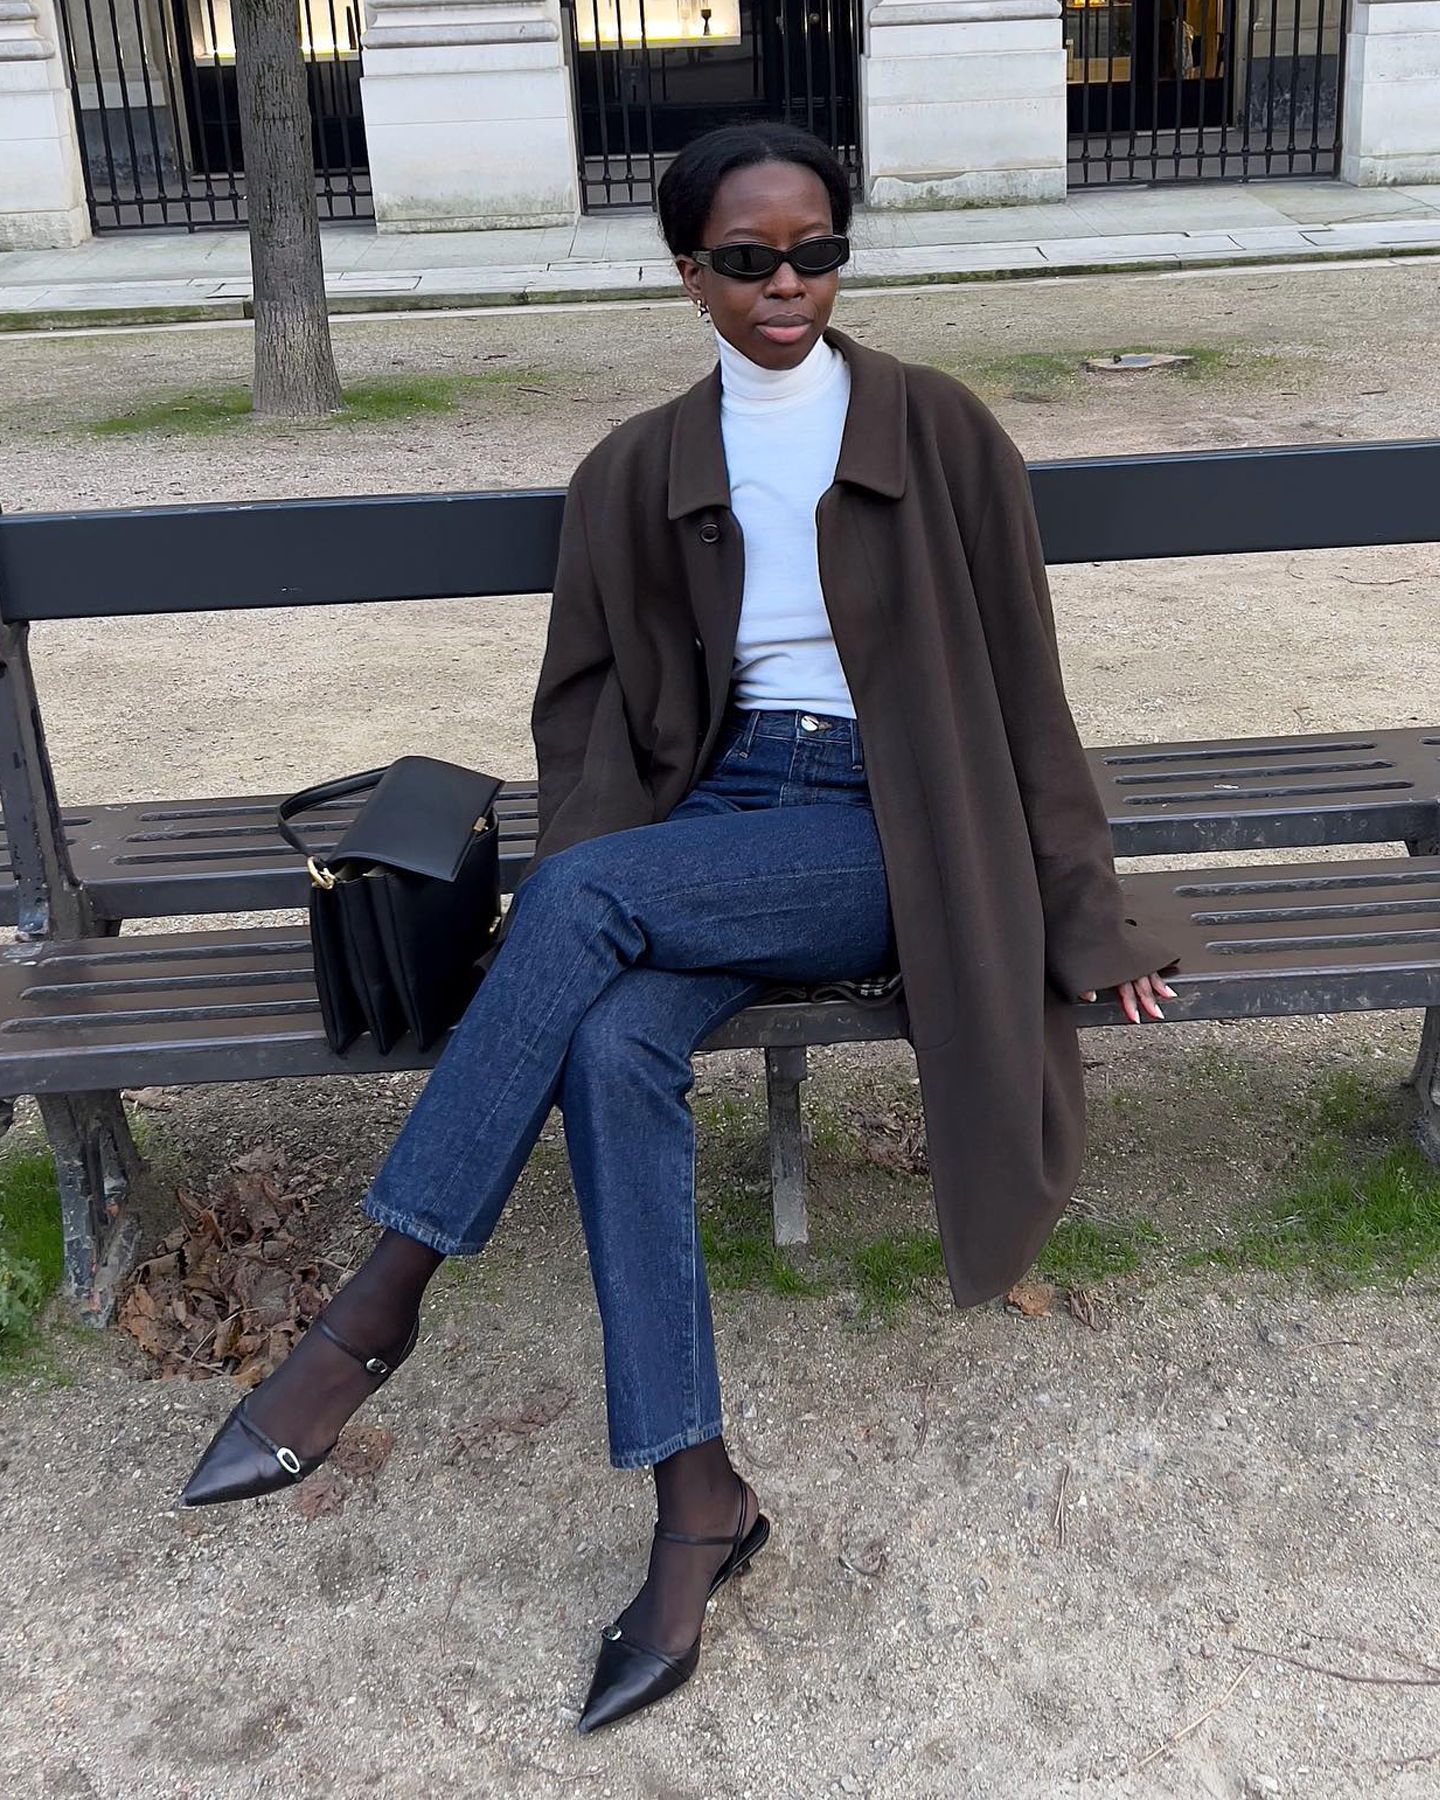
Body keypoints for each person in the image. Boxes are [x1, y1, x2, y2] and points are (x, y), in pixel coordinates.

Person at [177, 121, 1180, 1734]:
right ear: (687, 274)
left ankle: (372, 1312)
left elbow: (1031, 701)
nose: (789, 284)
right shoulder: (636, 470)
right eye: (748, 259)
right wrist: (618, 882)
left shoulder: (943, 432)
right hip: (707, 827)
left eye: (817, 252)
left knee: (578, 899)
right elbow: (584, 725)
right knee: (603, 1030)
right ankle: (697, 1499)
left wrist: (1090, 912)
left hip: (894, 832)